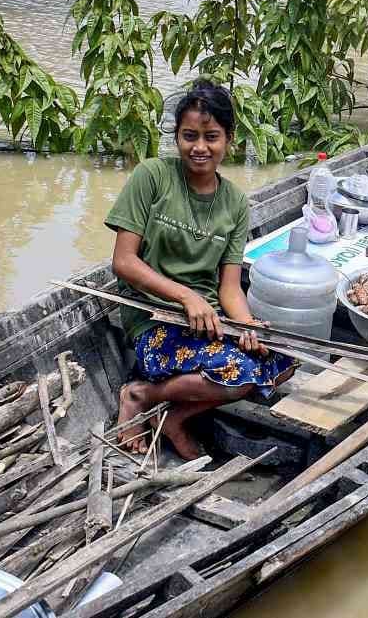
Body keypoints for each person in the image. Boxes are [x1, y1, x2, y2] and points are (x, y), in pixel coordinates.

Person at [105, 79, 296, 459]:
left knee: (280, 362)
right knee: (239, 373)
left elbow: (228, 288)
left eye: (212, 137)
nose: (199, 147)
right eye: (189, 136)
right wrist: (186, 296)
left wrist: (246, 327)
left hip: (210, 321)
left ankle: (172, 415)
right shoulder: (153, 176)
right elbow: (123, 261)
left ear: (230, 140)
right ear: (176, 137)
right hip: (154, 320)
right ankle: (139, 395)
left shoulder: (235, 203)